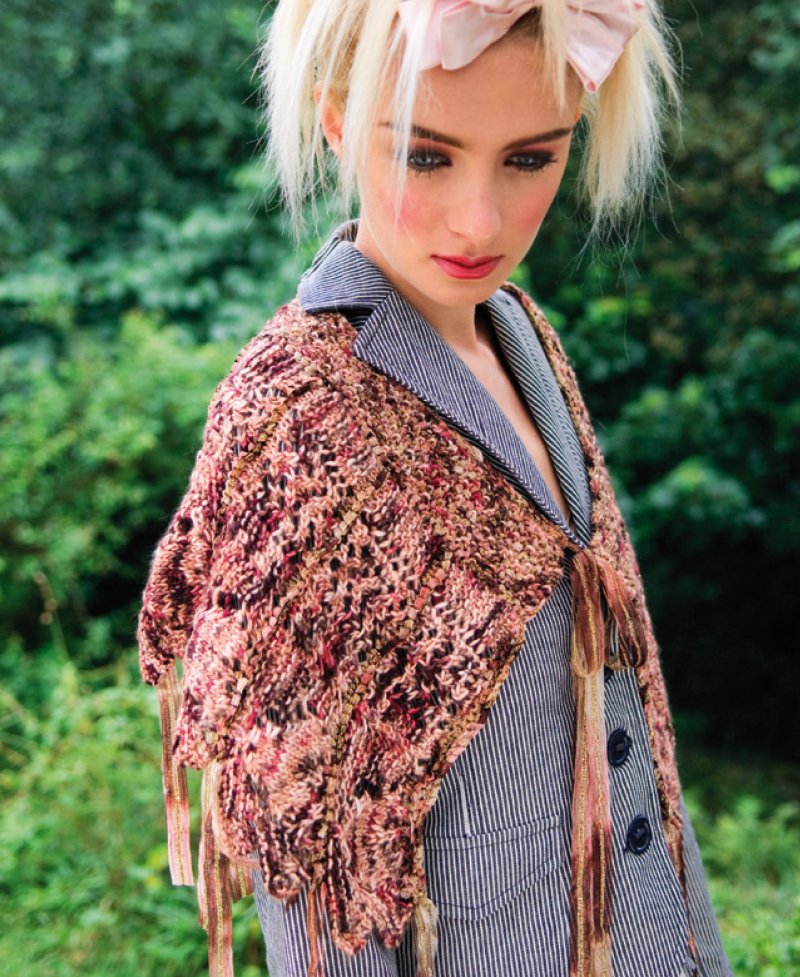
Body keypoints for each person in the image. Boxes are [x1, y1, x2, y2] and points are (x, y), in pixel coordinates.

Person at [137, 2, 732, 977]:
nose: (478, 220)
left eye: (529, 158)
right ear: (336, 120)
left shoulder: (522, 334)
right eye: (425, 154)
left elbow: (635, 730)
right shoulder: (304, 412)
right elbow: (306, 848)